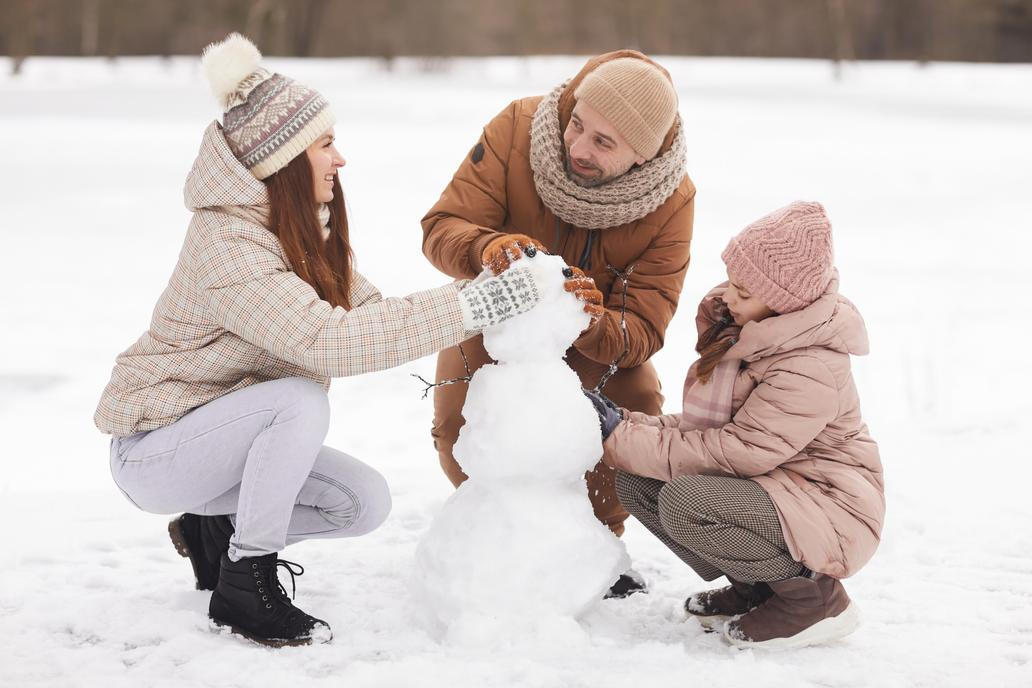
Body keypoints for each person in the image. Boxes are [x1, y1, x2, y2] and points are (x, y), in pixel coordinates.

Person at [93, 34, 588, 648]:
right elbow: (327, 342)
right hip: (156, 451)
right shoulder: (228, 247)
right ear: (284, 159)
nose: (340, 160)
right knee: (298, 399)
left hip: (217, 448)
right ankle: (245, 583)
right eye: (325, 145)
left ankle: (211, 532)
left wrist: (502, 288)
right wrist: (478, 304)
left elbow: (376, 315)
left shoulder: (297, 233)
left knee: (362, 504)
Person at [421, 50, 697, 597]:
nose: (577, 147)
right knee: (464, 430)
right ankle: (497, 528)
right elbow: (441, 227)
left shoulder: (672, 201)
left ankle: (594, 545)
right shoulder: (518, 129)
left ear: (641, 158)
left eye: (603, 142)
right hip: (495, 320)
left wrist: (591, 319)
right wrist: (487, 247)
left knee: (632, 417)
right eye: (578, 124)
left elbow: (644, 325)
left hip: (595, 341)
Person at [588, 201, 884, 648]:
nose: (728, 296)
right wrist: (624, 422)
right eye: (732, 282)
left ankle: (814, 600)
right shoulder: (754, 338)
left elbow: (735, 451)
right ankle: (758, 587)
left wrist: (620, 436)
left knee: (688, 499)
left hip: (830, 505)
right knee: (638, 482)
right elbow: (703, 429)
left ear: (784, 303)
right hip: (781, 488)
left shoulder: (808, 367)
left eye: (745, 292)